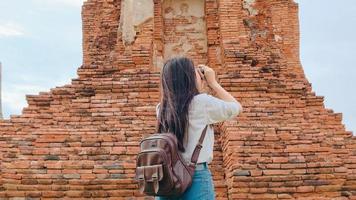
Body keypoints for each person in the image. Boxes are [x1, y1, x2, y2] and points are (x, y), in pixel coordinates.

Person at [155, 56, 243, 200]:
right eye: (195, 71)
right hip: (196, 176)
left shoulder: (161, 108)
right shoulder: (202, 103)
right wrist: (213, 83)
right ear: (188, 77)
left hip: (167, 176)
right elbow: (237, 108)